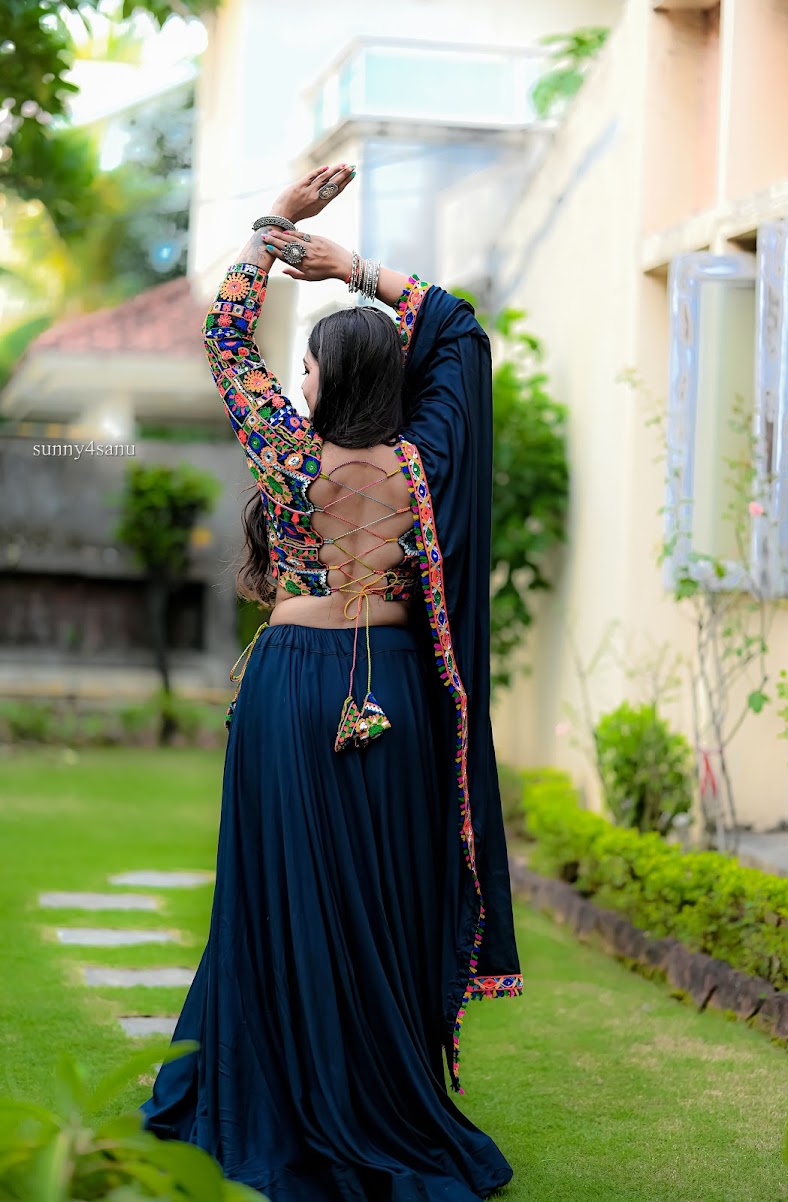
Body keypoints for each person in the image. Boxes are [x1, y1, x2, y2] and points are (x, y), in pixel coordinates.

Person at [141, 165, 523, 1201]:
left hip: (292, 686)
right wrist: (354, 268)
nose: (299, 380)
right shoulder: (427, 458)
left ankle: (283, 1092)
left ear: (317, 380)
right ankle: (379, 1098)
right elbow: (458, 330)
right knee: (378, 900)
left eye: (305, 367)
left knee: (283, 894)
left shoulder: (287, 454)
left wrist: (277, 228)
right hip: (393, 687)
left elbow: (225, 337)